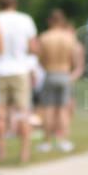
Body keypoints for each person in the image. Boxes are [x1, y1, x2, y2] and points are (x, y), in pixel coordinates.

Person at [0, 0, 37, 163]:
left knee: (0, 113)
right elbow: (33, 47)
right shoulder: (25, 19)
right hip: (20, 69)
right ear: (15, 3)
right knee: (23, 112)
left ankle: (1, 151)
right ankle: (24, 153)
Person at [31, 9, 84, 153]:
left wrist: (48, 68)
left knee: (48, 109)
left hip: (50, 73)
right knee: (62, 110)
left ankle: (47, 142)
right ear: (62, 21)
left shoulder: (44, 37)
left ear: (50, 21)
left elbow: (40, 59)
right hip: (64, 73)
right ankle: (63, 141)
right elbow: (74, 60)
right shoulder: (69, 38)